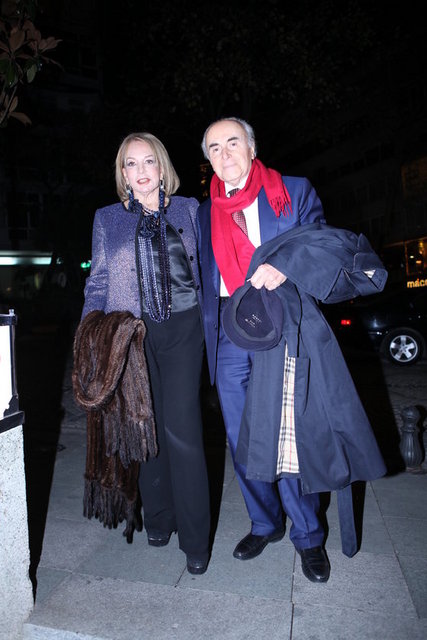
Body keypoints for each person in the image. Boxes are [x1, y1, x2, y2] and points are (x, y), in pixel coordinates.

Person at [197, 117, 331, 583]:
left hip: (281, 324)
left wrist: (285, 266)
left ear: (252, 147)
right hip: (230, 330)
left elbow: (320, 242)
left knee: (288, 434)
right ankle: (265, 523)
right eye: (215, 148)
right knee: (241, 436)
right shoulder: (203, 211)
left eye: (233, 142)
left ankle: (308, 536)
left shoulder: (290, 190)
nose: (225, 154)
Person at [81, 132, 210, 575]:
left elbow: (208, 267)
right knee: (145, 424)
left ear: (162, 167)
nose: (140, 171)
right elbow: (99, 281)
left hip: (185, 328)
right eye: (130, 163)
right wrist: (89, 333)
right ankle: (158, 516)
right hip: (131, 334)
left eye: (148, 161)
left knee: (183, 429)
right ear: (122, 172)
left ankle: (195, 539)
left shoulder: (190, 209)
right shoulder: (107, 219)